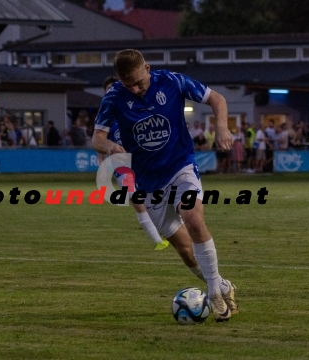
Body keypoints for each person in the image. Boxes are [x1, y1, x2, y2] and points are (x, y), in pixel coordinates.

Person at [92, 49, 238, 322]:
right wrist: (110, 145)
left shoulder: (173, 81)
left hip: (180, 165)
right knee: (184, 249)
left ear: (147, 68)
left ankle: (215, 295)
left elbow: (216, 98)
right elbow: (96, 138)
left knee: (193, 218)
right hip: (149, 182)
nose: (134, 89)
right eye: (128, 84)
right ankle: (221, 284)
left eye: (138, 82)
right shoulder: (113, 97)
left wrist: (221, 126)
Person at [98, 75, 169, 251]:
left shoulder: (132, 108)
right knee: (136, 200)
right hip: (120, 164)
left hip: (141, 160)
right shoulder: (105, 114)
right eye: (108, 89)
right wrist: (103, 164)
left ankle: (176, 224)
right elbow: (99, 141)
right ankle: (157, 240)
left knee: (158, 194)